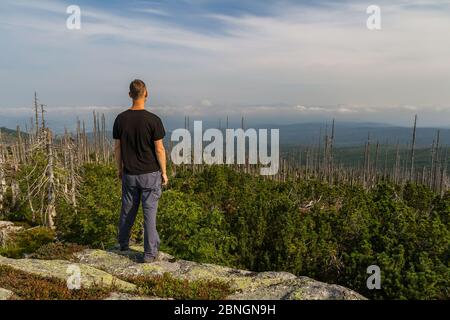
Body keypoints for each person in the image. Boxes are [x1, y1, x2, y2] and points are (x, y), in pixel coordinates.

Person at [113, 79, 168, 263]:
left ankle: (122, 244)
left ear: (130, 95)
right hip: (150, 174)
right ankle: (149, 254)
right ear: (146, 94)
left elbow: (118, 148)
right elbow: (159, 149)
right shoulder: (153, 120)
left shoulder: (121, 119)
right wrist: (164, 172)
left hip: (129, 174)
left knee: (127, 209)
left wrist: (119, 169)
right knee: (149, 213)